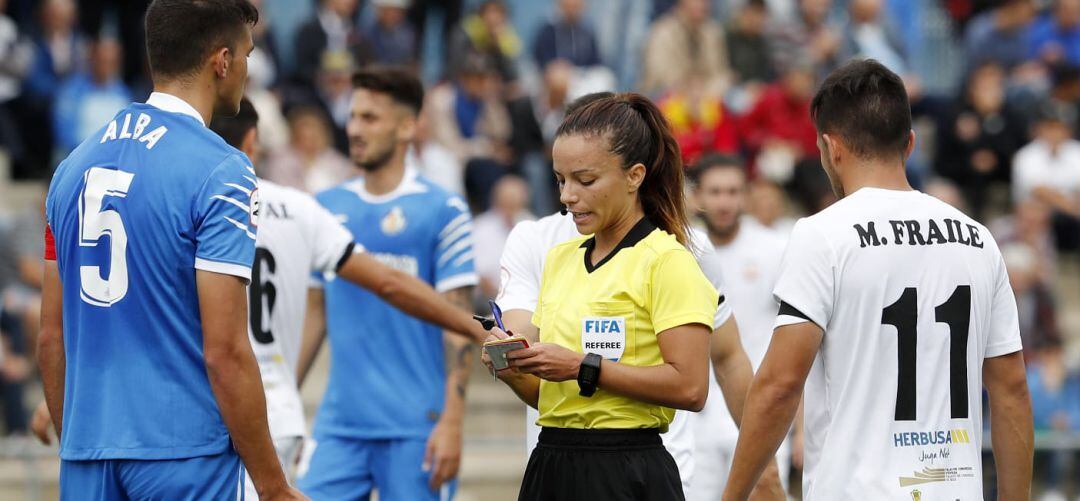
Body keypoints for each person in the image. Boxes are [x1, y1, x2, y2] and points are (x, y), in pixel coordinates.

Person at [722, 59, 1034, 500]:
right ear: (910, 144)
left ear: (831, 148)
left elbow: (779, 386)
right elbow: (1012, 389)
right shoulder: (978, 239)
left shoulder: (823, 235)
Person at [37, 1, 304, 499]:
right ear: (222, 61)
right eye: (246, 53)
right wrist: (273, 485)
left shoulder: (70, 170)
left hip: (86, 457)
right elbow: (225, 352)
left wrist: (77, 443)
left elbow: (51, 339)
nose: (247, 68)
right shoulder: (222, 170)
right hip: (183, 456)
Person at [484, 92, 780, 501]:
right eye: (560, 180)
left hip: (630, 468)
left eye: (585, 180)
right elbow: (551, 396)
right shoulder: (558, 259)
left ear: (634, 176)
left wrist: (582, 366)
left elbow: (692, 388)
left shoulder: (670, 260)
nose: (567, 195)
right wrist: (514, 366)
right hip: (552, 462)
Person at [296, 66, 477, 500]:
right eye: (353, 116)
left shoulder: (443, 210)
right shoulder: (325, 208)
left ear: (407, 127)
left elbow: (458, 322)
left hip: (418, 425)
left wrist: (452, 422)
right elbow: (314, 314)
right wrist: (282, 400)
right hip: (340, 425)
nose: (355, 129)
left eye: (370, 118)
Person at [686, 155, 792, 500]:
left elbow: (797, 341)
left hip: (758, 407)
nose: (724, 202)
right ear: (697, 196)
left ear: (745, 196)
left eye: (733, 192)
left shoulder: (775, 249)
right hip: (694, 417)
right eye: (715, 192)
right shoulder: (681, 250)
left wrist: (800, 428)